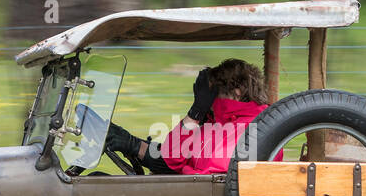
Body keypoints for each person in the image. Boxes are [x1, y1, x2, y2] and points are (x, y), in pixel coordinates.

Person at [105, 59, 272, 175]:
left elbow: (211, 176)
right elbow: (172, 158)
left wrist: (196, 113)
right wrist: (132, 144)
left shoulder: (258, 126)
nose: (210, 102)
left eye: (214, 94)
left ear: (237, 92)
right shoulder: (217, 123)